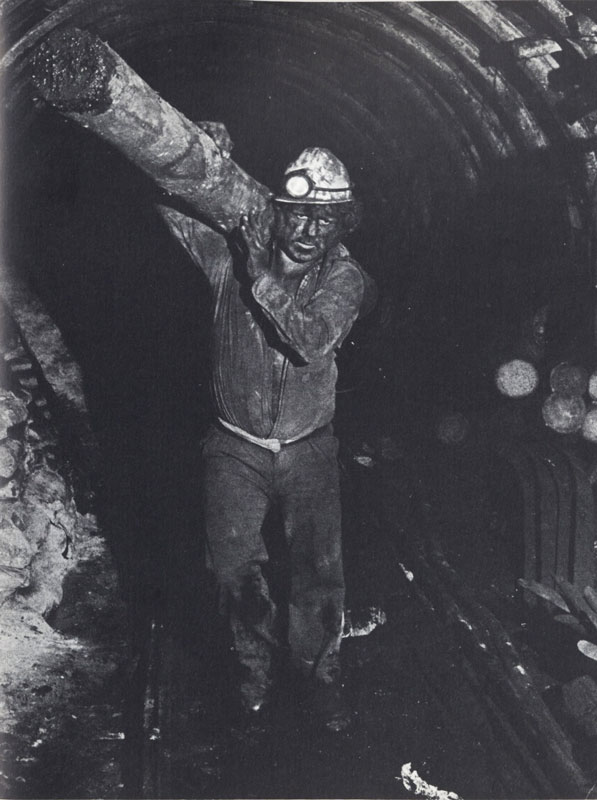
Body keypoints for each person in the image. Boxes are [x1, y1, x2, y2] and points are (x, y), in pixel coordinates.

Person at [157, 125, 376, 732]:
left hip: (309, 449)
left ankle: (320, 676)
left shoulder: (344, 279)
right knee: (231, 571)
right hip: (235, 448)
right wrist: (195, 150)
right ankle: (252, 678)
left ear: (342, 224)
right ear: (275, 212)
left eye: (325, 220)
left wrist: (260, 274)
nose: (309, 231)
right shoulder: (223, 258)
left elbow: (309, 340)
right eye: (298, 215)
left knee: (319, 572)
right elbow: (166, 203)